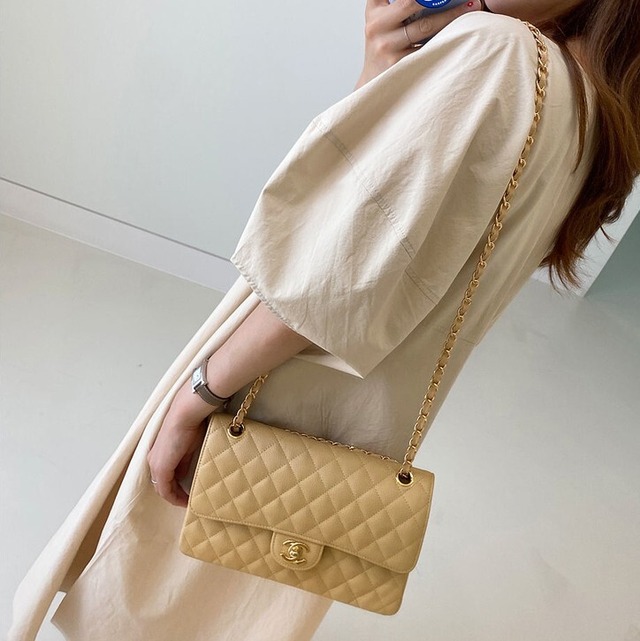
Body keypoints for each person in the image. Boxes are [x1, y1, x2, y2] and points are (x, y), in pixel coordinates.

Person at [9, 0, 640, 639]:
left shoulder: (499, 53)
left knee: (149, 592)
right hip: (358, 439)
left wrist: (198, 393)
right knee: (234, 614)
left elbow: (334, 279)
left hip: (269, 396)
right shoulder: (589, 119)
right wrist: (383, 73)